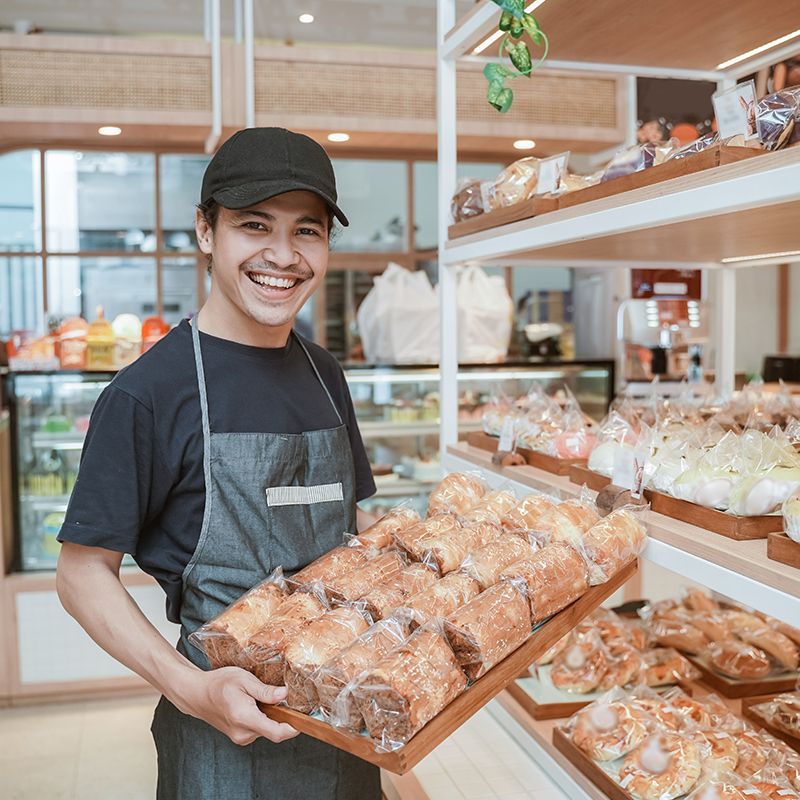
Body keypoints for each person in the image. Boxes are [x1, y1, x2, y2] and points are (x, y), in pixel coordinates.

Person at [56, 128, 382, 800]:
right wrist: (189, 687)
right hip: (222, 732)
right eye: (254, 226)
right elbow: (81, 573)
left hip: (347, 717)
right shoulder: (147, 393)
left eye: (307, 232)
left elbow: (353, 528)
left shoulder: (326, 374)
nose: (283, 257)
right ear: (206, 232)